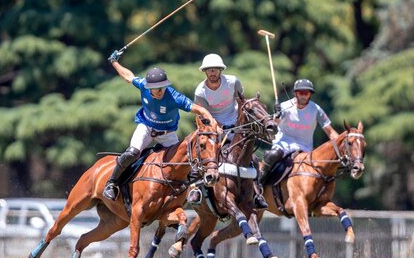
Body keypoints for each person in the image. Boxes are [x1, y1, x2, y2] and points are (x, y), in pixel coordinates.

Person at [102, 50, 217, 201]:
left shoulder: (174, 97)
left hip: (167, 133)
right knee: (131, 153)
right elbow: (128, 76)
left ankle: (194, 190)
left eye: (163, 87)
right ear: (149, 88)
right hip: (146, 127)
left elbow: (200, 109)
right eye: (157, 88)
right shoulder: (144, 85)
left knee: (185, 161)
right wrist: (114, 62)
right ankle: (112, 183)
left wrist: (212, 121)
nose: (161, 90)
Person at [188, 53, 268, 208]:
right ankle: (196, 188)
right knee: (205, 155)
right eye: (209, 70)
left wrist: (239, 124)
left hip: (235, 124)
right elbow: (206, 115)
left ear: (221, 70)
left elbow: (242, 104)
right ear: (205, 72)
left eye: (215, 69)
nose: (212, 73)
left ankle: (257, 194)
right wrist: (218, 127)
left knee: (253, 158)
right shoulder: (200, 92)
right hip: (214, 127)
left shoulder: (233, 82)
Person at [258, 78, 339, 184]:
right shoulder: (284, 106)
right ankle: (259, 185)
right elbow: (273, 127)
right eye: (301, 92)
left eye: (307, 93)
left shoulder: (316, 109)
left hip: (305, 148)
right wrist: (276, 115)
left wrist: (341, 144)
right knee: (272, 155)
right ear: (295, 93)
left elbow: (330, 131)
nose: (304, 96)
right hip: (284, 144)